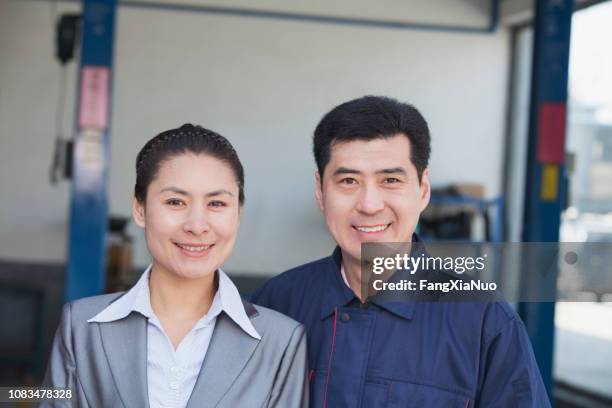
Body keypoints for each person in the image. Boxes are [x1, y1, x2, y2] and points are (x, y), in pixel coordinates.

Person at [251, 96, 550, 407]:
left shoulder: (485, 324)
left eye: (390, 180)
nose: (369, 205)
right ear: (320, 191)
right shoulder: (275, 306)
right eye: (349, 180)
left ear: (422, 190)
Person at [42, 124, 308, 408]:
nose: (196, 225)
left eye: (217, 203)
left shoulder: (281, 341)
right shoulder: (80, 326)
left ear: (238, 212)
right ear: (140, 208)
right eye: (175, 201)